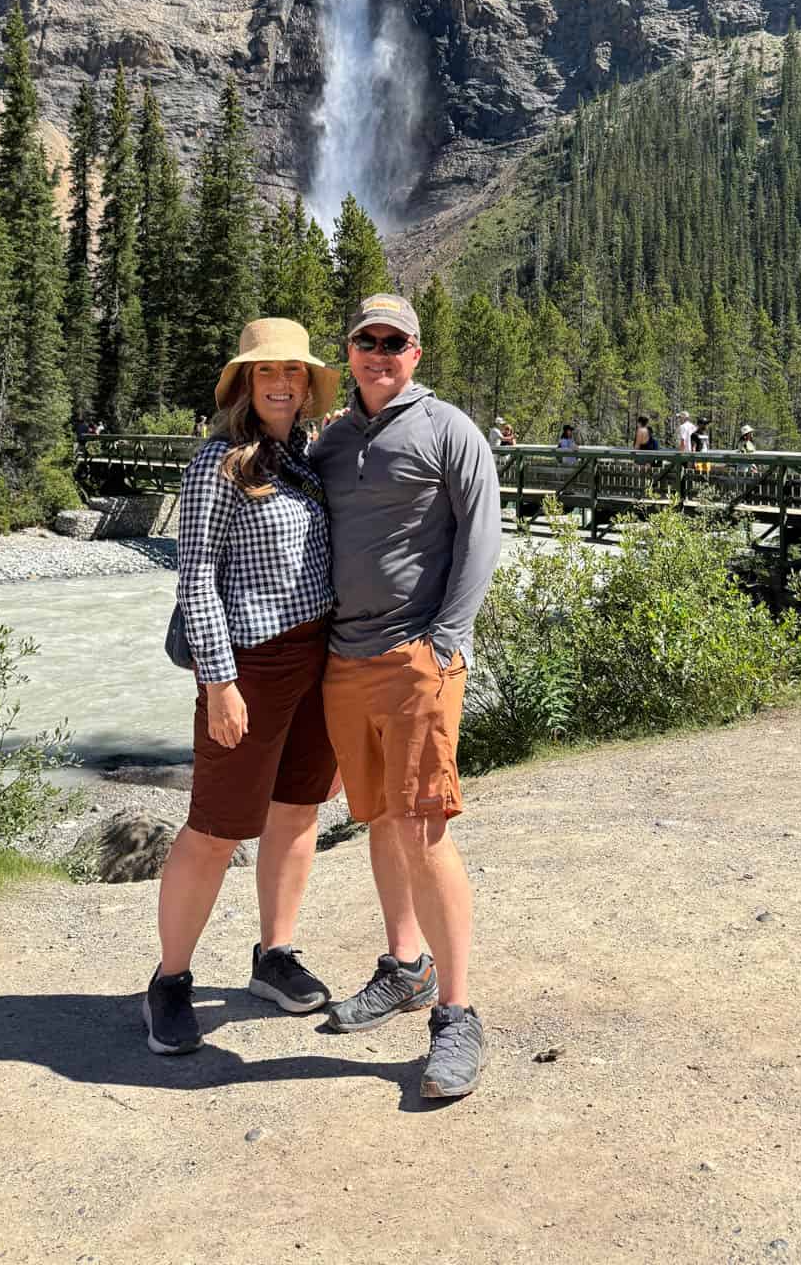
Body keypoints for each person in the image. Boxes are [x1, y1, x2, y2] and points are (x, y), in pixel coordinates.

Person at [313, 293, 502, 1100]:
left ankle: (458, 1014)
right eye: (367, 340)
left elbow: (482, 529)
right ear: (349, 350)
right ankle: (405, 967)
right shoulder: (333, 440)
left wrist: (447, 640)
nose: (380, 353)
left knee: (424, 827)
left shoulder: (448, 428)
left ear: (416, 352)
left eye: (395, 342)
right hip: (345, 661)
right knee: (381, 819)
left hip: (417, 656)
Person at [143, 319, 342, 1056]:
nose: (281, 384)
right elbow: (194, 577)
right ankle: (169, 981)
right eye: (267, 374)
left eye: (292, 373)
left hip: (317, 660)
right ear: (244, 385)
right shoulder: (217, 465)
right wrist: (220, 681)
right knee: (217, 828)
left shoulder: (309, 459)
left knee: (296, 814)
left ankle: (275, 955)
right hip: (249, 667)